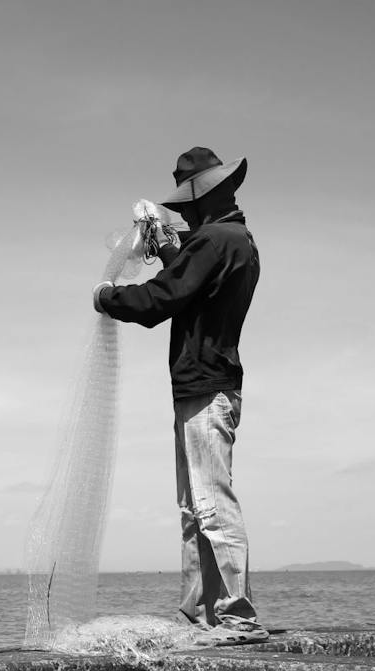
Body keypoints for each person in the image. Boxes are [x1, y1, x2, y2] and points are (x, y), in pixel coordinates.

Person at [93, 147, 266, 643]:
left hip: (205, 388)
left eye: (185, 210)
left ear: (201, 200)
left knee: (210, 505)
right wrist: (166, 243)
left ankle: (237, 617)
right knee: (195, 509)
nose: (183, 217)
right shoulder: (234, 240)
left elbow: (161, 298)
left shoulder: (214, 241)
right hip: (208, 385)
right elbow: (187, 279)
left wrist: (108, 296)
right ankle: (201, 616)